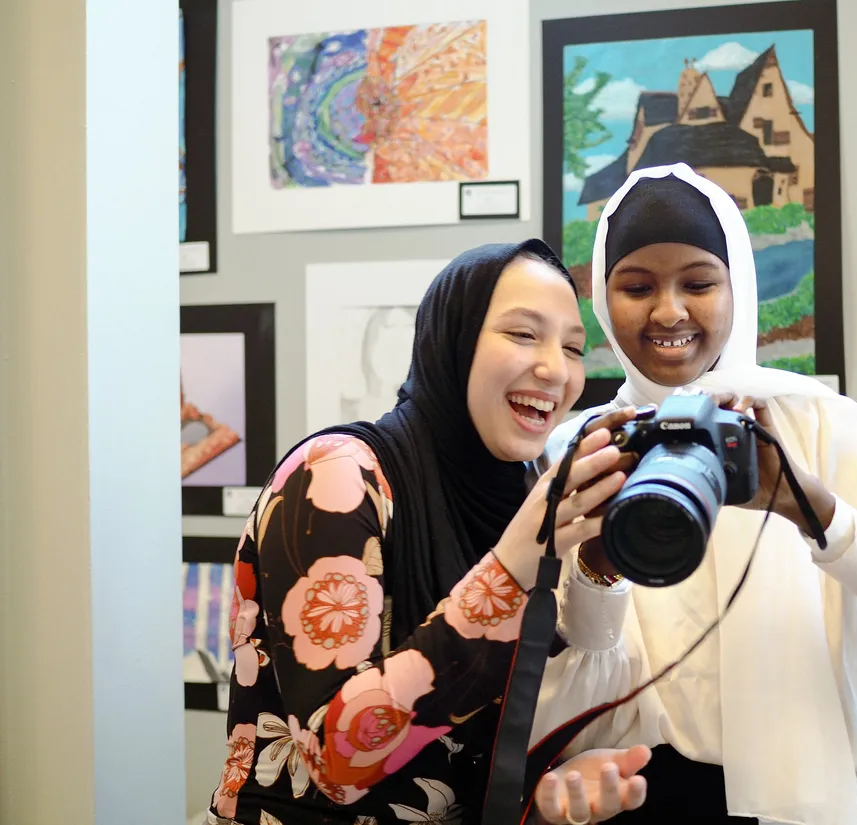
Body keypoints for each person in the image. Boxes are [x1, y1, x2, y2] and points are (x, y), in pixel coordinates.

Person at [529, 165, 857, 825]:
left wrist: (816, 511)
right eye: (637, 286)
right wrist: (595, 567)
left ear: (738, 287)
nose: (668, 311)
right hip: (633, 797)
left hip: (813, 801)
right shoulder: (583, 447)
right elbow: (561, 692)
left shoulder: (817, 425)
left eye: (698, 282)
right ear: (605, 300)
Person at [204, 240, 651, 825]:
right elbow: (335, 760)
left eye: (573, 347)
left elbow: (477, 748)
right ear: (453, 339)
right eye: (523, 334)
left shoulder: (526, 495)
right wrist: (512, 568)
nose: (556, 369)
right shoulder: (339, 474)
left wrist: (543, 795)